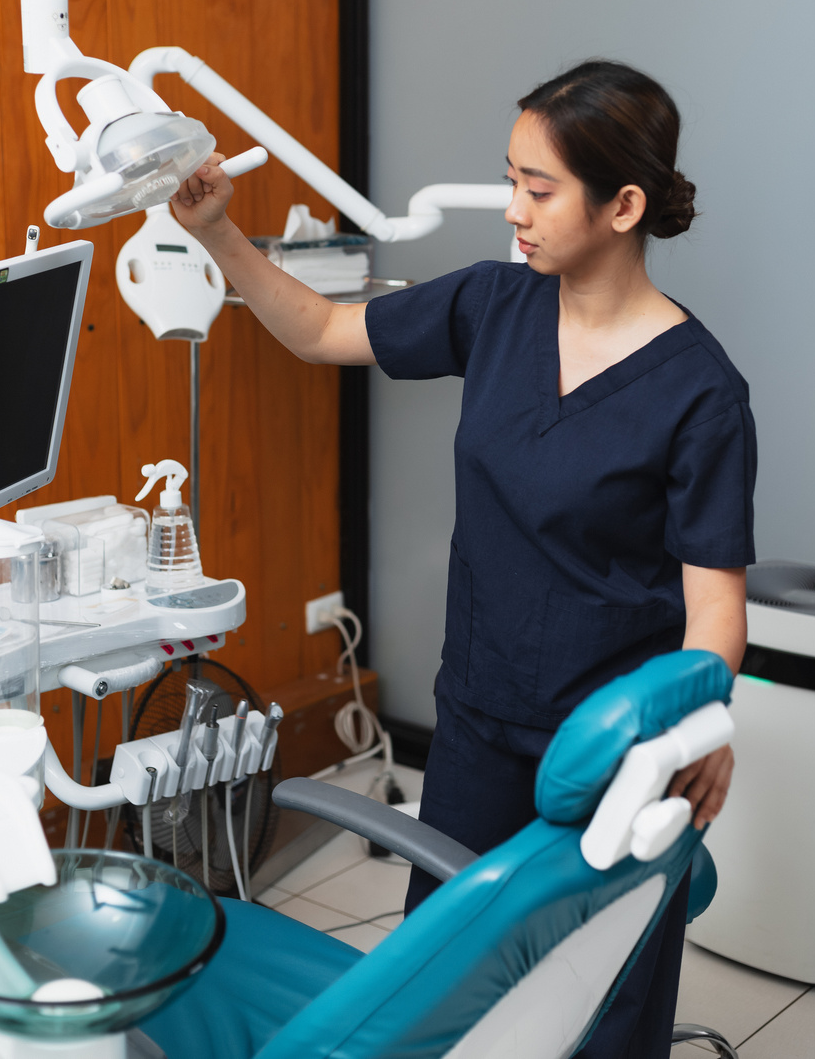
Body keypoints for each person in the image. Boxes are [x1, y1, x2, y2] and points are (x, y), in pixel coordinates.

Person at [172, 59, 756, 1059]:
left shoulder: (698, 393)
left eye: (536, 189)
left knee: (600, 1003)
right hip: (481, 723)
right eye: (508, 179)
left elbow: (713, 612)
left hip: (612, 754)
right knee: (439, 1004)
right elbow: (317, 330)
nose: (510, 210)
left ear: (621, 204)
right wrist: (216, 230)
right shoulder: (495, 306)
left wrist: (694, 725)